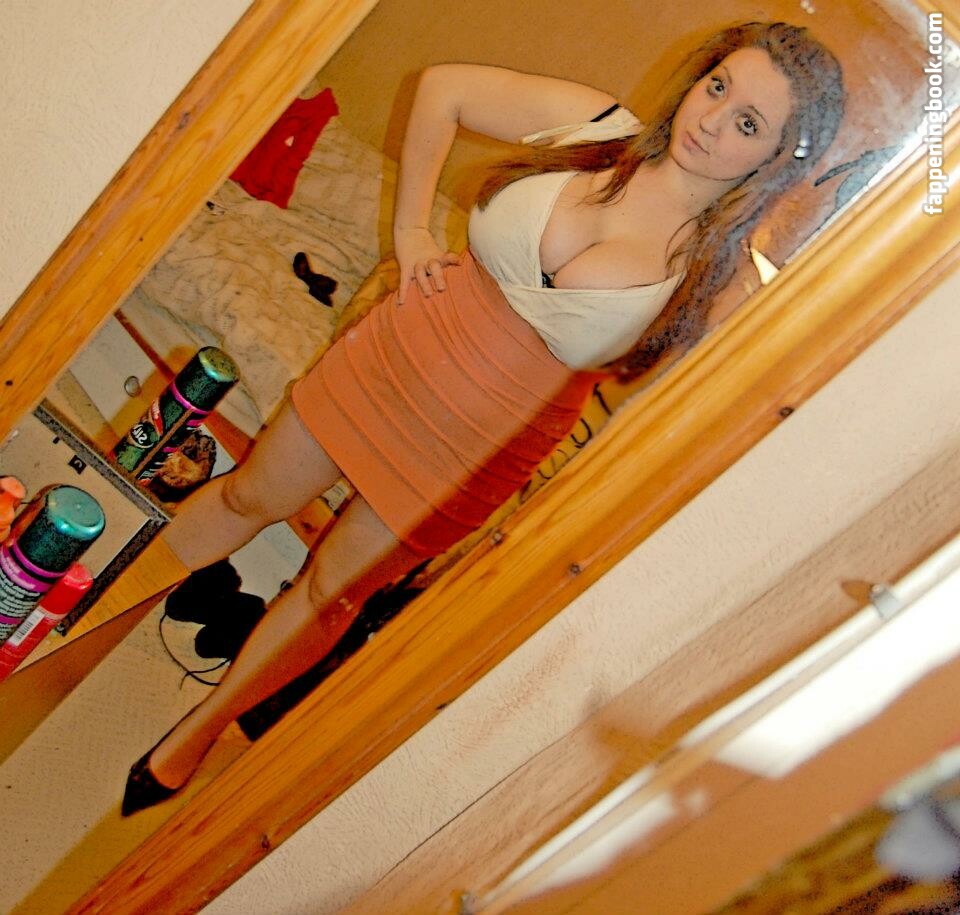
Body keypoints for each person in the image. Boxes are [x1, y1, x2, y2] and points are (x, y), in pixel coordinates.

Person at [121, 20, 844, 815]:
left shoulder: (716, 273)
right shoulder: (599, 126)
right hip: (400, 348)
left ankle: (194, 734)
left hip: (479, 445)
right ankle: (100, 604)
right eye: (717, 87)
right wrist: (410, 232)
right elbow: (444, 89)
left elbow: (771, 392)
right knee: (248, 494)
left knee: (331, 591)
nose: (711, 121)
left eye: (748, 124)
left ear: (778, 159)